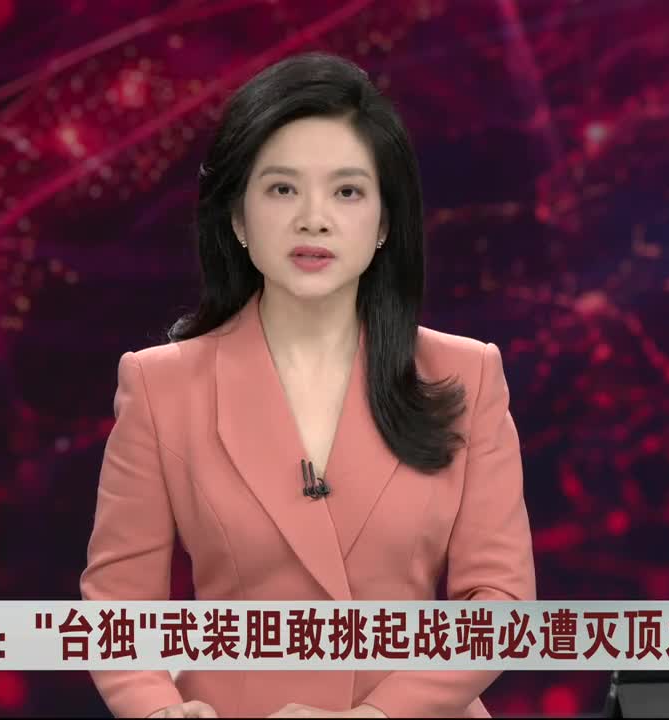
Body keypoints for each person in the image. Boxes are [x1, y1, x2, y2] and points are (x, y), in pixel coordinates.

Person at [79, 51, 536, 718]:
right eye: (282, 190)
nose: (313, 219)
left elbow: (499, 606)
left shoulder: (466, 374)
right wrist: (156, 708)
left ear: (384, 223)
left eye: (347, 192)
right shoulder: (160, 387)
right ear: (238, 219)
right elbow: (119, 607)